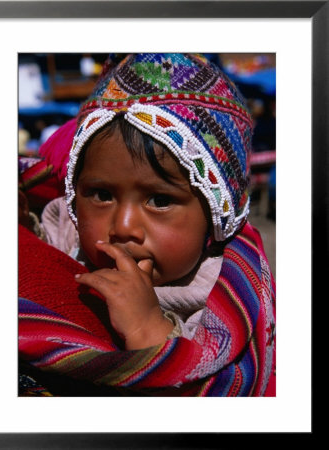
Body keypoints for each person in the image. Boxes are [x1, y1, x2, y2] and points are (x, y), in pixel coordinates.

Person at [19, 53, 275, 396]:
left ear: (217, 216)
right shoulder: (68, 227)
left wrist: (148, 327)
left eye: (159, 200)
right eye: (100, 194)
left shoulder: (215, 291)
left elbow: (213, 392)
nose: (123, 227)